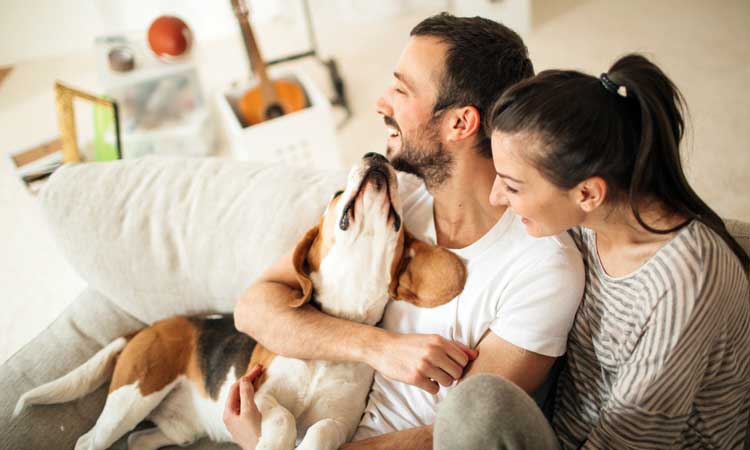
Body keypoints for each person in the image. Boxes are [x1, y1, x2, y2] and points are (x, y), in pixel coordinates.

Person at [224, 13, 586, 450]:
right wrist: (379, 347)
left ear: (460, 123)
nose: (380, 102)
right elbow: (253, 309)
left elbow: (456, 437)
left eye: (401, 89)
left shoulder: (542, 268)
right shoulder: (395, 201)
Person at [434, 54, 750, 449]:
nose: (497, 196)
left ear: (587, 193)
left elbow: (631, 440)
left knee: (476, 407)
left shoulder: (686, 279)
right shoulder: (583, 223)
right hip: (564, 422)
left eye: (512, 186)